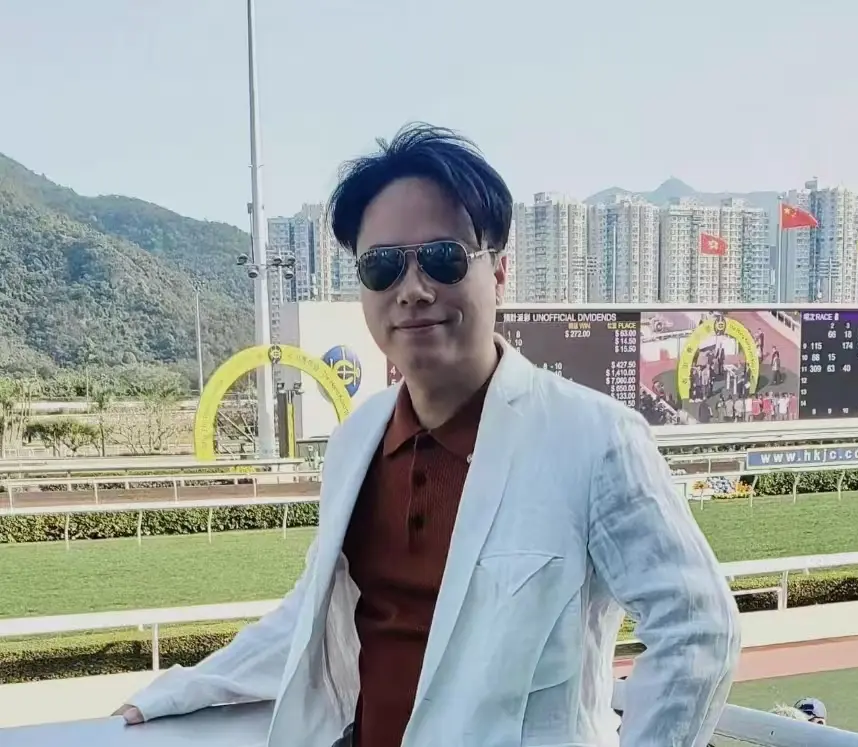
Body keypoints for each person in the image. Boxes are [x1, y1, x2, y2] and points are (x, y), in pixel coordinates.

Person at [115, 124, 740, 747]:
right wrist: (179, 691)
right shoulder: (357, 441)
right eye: (383, 267)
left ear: (499, 272)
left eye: (443, 258)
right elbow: (311, 617)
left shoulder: (594, 438)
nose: (412, 291)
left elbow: (697, 628)